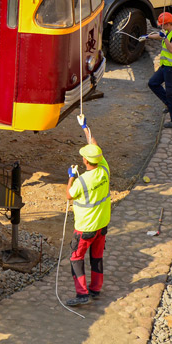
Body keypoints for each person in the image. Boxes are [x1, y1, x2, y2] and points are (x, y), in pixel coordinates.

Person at [65, 114, 111, 307]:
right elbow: (94, 146)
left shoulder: (82, 181)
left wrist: (71, 176)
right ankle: (96, 288)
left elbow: (69, 195)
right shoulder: (104, 168)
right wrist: (85, 127)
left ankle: (82, 294)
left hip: (85, 229)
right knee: (97, 257)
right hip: (102, 225)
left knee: (76, 258)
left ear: (84, 161)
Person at [147, 11, 172, 128]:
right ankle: (168, 104)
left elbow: (171, 48)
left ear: (168, 24)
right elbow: (159, 36)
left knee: (171, 93)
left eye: (162, 25)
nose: (161, 27)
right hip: (165, 66)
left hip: (171, 68)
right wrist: (147, 37)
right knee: (153, 83)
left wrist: (165, 38)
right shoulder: (167, 32)